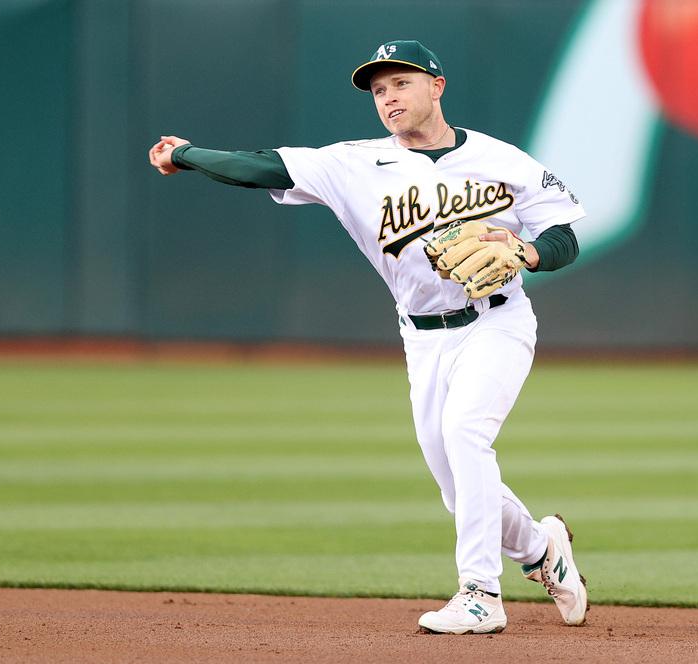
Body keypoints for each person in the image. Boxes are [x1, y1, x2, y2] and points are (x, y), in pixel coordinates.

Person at [148, 39, 587, 635]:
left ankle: (481, 593)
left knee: (465, 435)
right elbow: (261, 167)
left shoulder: (501, 159)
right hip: (423, 337)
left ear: (437, 86)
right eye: (379, 91)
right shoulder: (353, 163)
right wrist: (190, 154)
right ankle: (542, 551)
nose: (388, 98)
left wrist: (530, 250)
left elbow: (564, 234)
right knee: (459, 487)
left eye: (400, 84)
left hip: (497, 322)